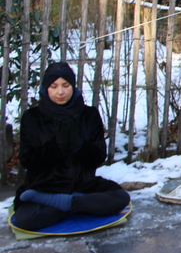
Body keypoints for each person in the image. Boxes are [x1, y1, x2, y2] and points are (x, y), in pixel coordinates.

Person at [12, 62, 130, 232]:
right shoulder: (32, 117)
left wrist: (78, 146)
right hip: (45, 186)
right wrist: (56, 147)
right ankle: (76, 204)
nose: (60, 92)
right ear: (46, 88)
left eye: (65, 86)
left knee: (120, 198)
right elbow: (27, 160)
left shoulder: (89, 114)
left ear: (73, 87)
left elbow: (98, 157)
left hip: (84, 184)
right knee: (26, 219)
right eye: (54, 86)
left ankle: (65, 204)